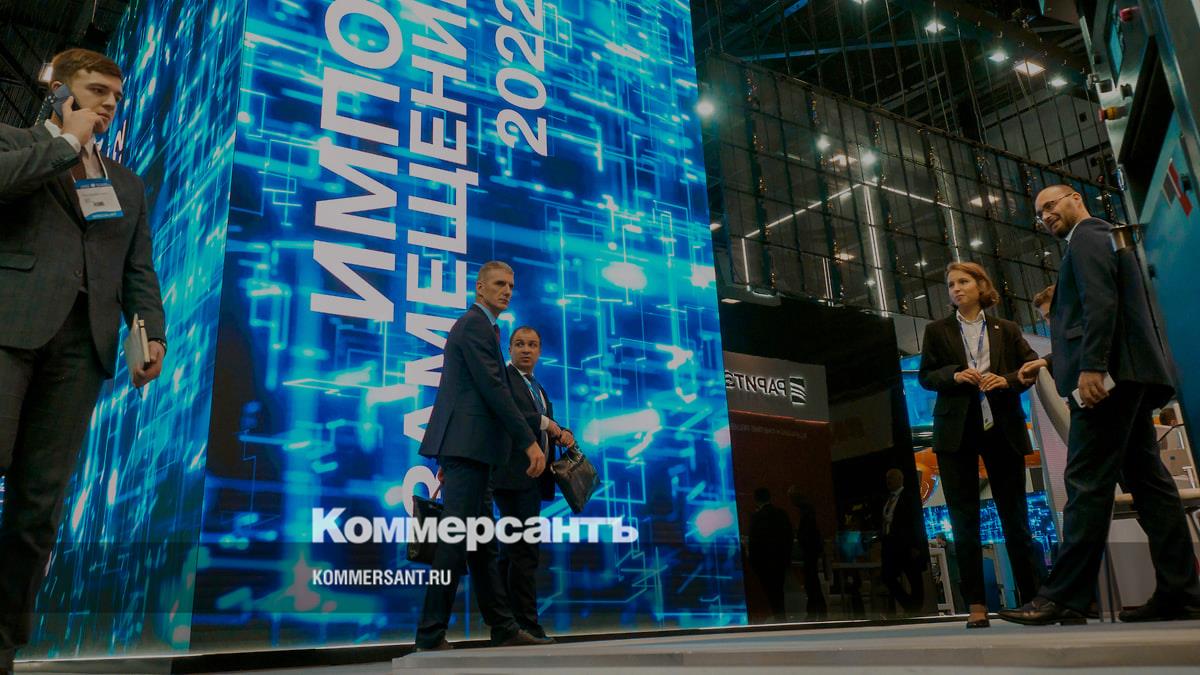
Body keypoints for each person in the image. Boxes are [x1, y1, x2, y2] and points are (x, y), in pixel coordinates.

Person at [0, 48, 167, 673]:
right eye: (97, 91)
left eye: (116, 97)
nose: (109, 105)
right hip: (9, 328)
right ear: (60, 92)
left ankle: (3, 642)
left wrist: (150, 334)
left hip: (82, 349)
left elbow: (138, 268)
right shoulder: (13, 141)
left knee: (38, 507)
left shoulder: (126, 183)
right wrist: (67, 143)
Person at [1000, 186, 1200, 625]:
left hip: (1107, 381)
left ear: (1075, 197)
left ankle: (1063, 597)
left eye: (1051, 205)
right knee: (1150, 485)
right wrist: (1052, 362)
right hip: (1128, 377)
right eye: (1039, 213)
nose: (1046, 215)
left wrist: (1092, 366)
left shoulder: (1088, 236)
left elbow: (1100, 302)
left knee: (1086, 482)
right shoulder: (1103, 237)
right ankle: (1181, 590)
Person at [414, 261, 566, 651]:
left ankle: (503, 627)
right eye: (499, 283)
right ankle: (429, 635)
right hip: (468, 451)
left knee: (483, 546)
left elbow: (471, 393)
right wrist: (529, 442)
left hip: (473, 452)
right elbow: (494, 390)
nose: (507, 291)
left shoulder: (485, 328)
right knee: (454, 542)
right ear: (480, 287)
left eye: (511, 285)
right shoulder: (474, 325)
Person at [918, 262, 1044, 628]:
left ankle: (1031, 598)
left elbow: (1032, 367)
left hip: (1002, 427)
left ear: (980, 286)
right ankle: (975, 603)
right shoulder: (937, 330)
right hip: (956, 430)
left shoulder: (1007, 329)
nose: (956, 288)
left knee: (1015, 517)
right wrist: (955, 375)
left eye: (963, 281)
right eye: (951, 284)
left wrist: (1006, 380)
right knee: (963, 520)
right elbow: (926, 376)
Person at [492, 325, 575, 641]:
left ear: (539, 351)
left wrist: (561, 432)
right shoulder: (503, 378)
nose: (526, 349)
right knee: (523, 552)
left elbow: (541, 424)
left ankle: (508, 626)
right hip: (513, 476)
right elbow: (511, 414)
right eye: (519, 344)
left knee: (513, 552)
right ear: (510, 349)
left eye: (532, 344)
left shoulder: (537, 387)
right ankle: (526, 624)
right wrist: (547, 423)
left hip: (533, 478)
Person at [879, 469, 926, 616]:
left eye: (891, 478)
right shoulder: (887, 499)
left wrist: (916, 545)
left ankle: (915, 607)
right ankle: (910, 605)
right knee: (887, 576)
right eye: (887, 478)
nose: (888, 481)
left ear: (900, 479)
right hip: (890, 543)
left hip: (906, 543)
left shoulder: (908, 497)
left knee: (914, 577)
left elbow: (915, 521)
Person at [748, 487, 794, 621]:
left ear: (756, 500)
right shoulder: (781, 514)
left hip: (763, 562)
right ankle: (781, 617)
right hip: (780, 560)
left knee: (768, 592)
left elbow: (754, 543)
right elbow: (789, 536)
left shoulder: (756, 517)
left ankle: (774, 618)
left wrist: (753, 562)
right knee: (779, 590)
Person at [787, 487, 827, 619]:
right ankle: (817, 609)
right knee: (812, 581)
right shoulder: (808, 510)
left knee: (811, 581)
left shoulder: (805, 512)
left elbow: (807, 533)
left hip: (809, 551)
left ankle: (814, 610)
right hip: (811, 550)